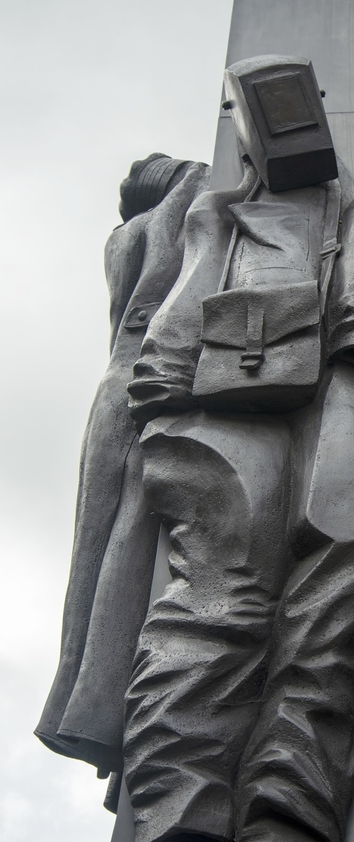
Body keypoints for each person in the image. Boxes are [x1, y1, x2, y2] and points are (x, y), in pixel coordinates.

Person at [124, 55, 354, 842]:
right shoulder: (216, 211)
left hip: (349, 383)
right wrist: (165, 376)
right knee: (216, 592)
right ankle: (180, 793)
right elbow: (183, 299)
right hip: (222, 393)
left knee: (333, 597)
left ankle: (290, 799)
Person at [35, 154, 209, 789]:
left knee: (105, 546)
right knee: (127, 539)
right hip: (141, 382)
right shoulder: (146, 230)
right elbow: (196, 189)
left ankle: (92, 707)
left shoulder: (124, 236)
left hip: (119, 386)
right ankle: (94, 709)